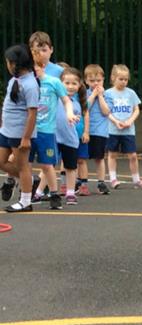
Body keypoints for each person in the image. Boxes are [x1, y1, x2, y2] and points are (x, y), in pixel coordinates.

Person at [30, 58, 78, 210]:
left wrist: (70, 114)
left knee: (50, 164)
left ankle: (61, 193)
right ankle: (31, 192)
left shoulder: (55, 87)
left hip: (56, 135)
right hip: (35, 132)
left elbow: (67, 102)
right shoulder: (27, 84)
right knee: (31, 164)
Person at [1, 45, 39, 213]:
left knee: (22, 166)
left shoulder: (30, 84)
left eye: (8, 62)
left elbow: (32, 114)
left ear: (15, 63)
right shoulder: (15, 80)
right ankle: (30, 180)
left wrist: (26, 138)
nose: (7, 66)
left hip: (19, 132)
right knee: (1, 162)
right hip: (6, 130)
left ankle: (25, 201)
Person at [102, 64, 142, 190]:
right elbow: (106, 111)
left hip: (128, 130)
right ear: (113, 78)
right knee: (112, 154)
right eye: (121, 79)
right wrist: (115, 121)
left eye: (126, 79)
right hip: (113, 130)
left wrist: (130, 121)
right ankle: (113, 179)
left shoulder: (131, 93)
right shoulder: (108, 93)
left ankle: (136, 179)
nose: (124, 82)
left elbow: (136, 109)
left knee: (133, 155)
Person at [55, 67, 87, 206]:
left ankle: (70, 193)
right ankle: (39, 192)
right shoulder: (55, 98)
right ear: (60, 83)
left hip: (70, 140)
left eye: (74, 83)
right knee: (48, 166)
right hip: (54, 138)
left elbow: (76, 119)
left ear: (80, 85)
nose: (70, 86)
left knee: (71, 167)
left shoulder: (77, 103)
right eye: (66, 83)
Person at [84, 64, 111, 194]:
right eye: (92, 81)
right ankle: (81, 181)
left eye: (98, 80)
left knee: (99, 158)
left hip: (100, 131)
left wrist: (100, 96)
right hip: (86, 131)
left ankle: (101, 182)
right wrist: (93, 95)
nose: (95, 83)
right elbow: (84, 108)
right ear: (86, 81)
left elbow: (106, 111)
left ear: (103, 80)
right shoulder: (84, 93)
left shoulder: (107, 95)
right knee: (81, 158)